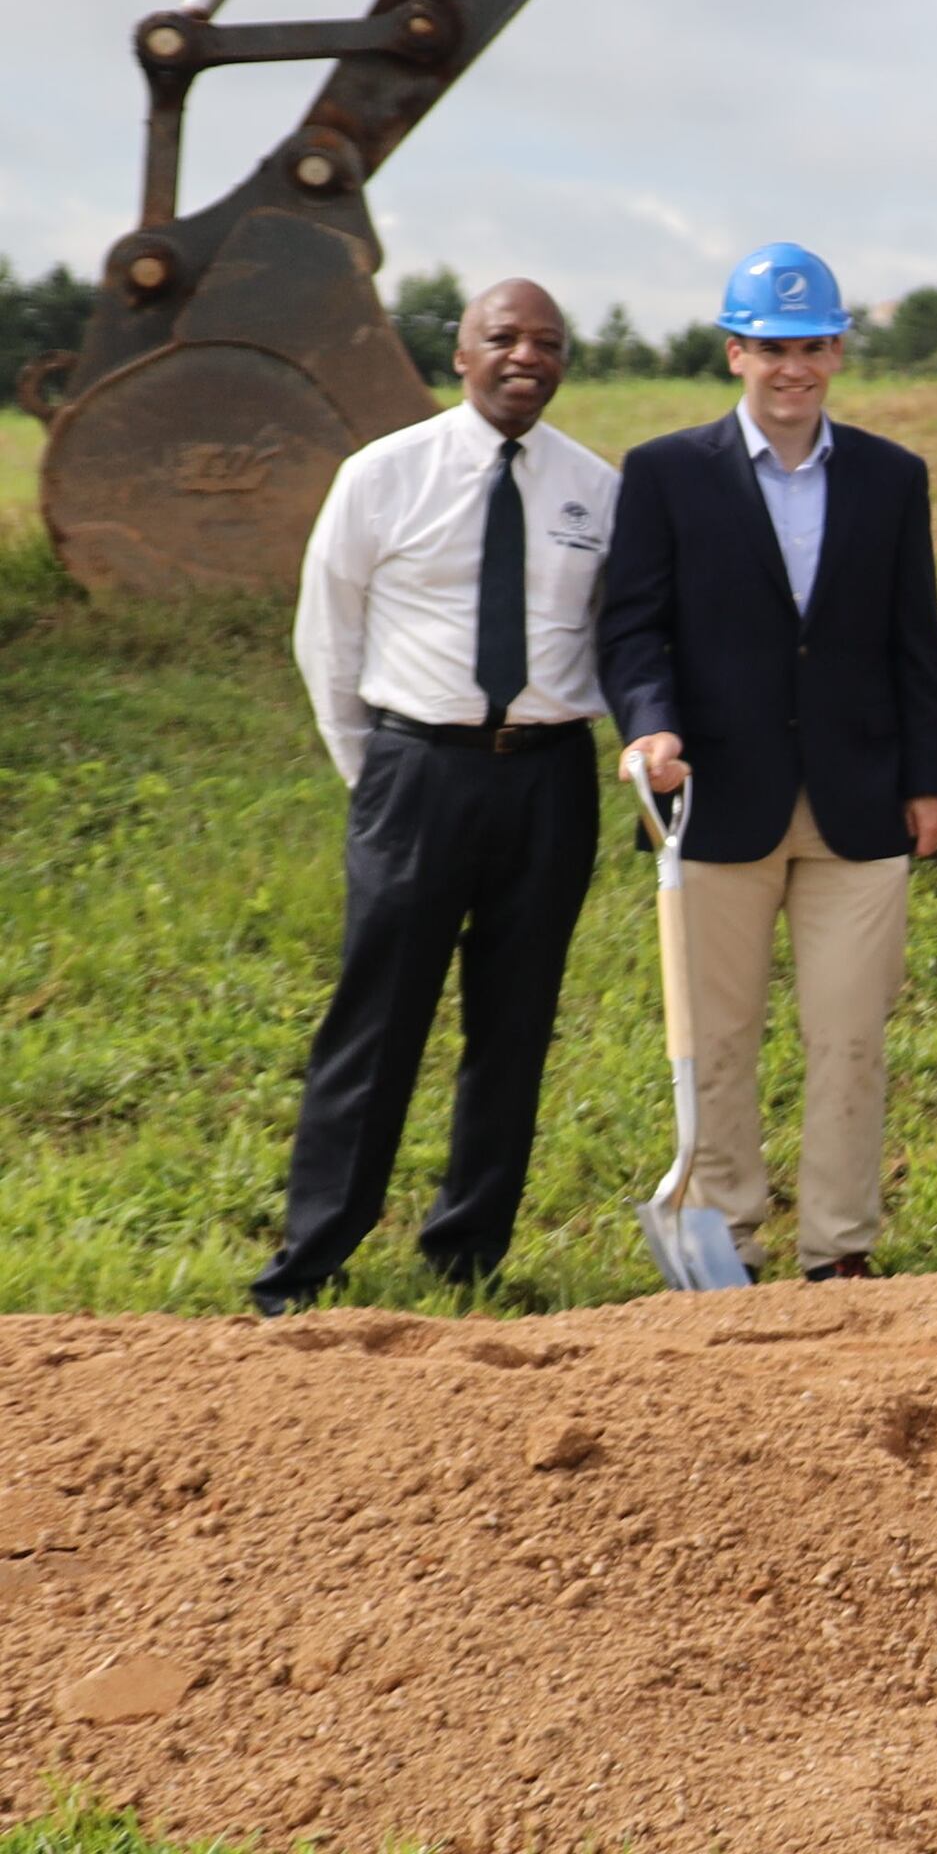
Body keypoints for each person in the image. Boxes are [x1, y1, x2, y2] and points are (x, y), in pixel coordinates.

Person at [601, 242, 937, 1284]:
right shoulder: (667, 472)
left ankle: (838, 1251)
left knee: (849, 1037)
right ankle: (732, 1245)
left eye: (809, 345)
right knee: (716, 1039)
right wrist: (648, 724)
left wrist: (930, 779)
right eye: (769, 347)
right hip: (710, 797)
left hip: (860, 803)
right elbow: (633, 630)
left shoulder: (893, 477)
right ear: (733, 354)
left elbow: (915, 640)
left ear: (839, 350)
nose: (791, 366)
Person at [258, 279, 613, 1313]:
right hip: (416, 771)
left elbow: (611, 635)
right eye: (503, 337)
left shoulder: (597, 489)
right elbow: (328, 634)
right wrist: (377, 773)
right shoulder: (384, 475)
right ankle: (311, 1254)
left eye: (546, 342)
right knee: (377, 1020)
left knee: (516, 1019)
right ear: (460, 354)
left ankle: (467, 1250)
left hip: (549, 777)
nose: (525, 356)